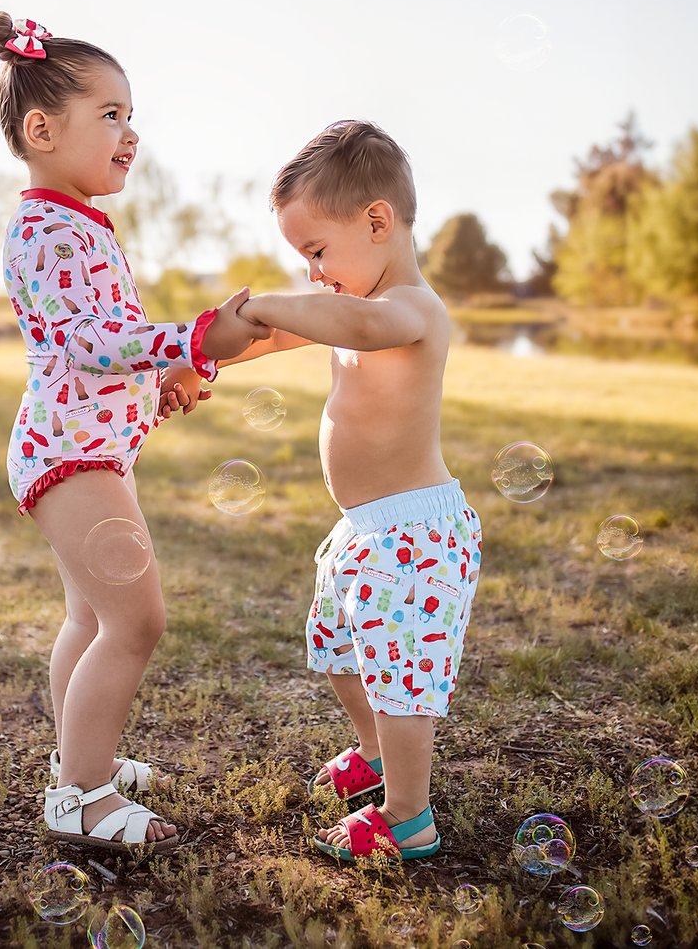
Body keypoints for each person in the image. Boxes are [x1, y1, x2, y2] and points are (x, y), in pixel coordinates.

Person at [0, 13, 268, 854]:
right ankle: (78, 794)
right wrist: (190, 338)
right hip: (72, 456)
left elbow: (107, 342)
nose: (129, 133)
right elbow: (92, 340)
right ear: (42, 130)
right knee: (135, 621)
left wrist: (179, 373)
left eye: (129, 114)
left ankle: (81, 755)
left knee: (89, 617)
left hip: (85, 449)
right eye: (109, 114)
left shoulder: (75, 223)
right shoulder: (47, 228)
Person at [221, 120, 483, 862]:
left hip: (415, 535)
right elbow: (273, 336)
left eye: (315, 252)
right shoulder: (349, 301)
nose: (312, 273)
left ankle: (408, 816)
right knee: (340, 653)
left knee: (399, 681)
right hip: (365, 531)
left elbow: (359, 324)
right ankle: (373, 754)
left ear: (376, 221)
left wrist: (271, 301)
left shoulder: (408, 310)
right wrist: (200, 362)